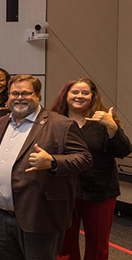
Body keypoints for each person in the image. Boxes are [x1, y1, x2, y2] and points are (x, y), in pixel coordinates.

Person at [0, 75, 93, 260]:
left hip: (39, 215)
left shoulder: (61, 125)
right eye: (14, 93)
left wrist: (53, 161)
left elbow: (85, 159)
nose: (19, 97)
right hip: (0, 217)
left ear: (38, 95)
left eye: (26, 93)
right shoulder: (1, 123)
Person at [50, 78, 131, 260]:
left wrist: (112, 127)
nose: (80, 96)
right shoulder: (54, 121)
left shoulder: (104, 120)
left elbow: (123, 150)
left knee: (98, 246)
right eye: (75, 92)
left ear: (93, 96)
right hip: (64, 192)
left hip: (100, 192)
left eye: (85, 93)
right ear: (66, 95)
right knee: (65, 245)